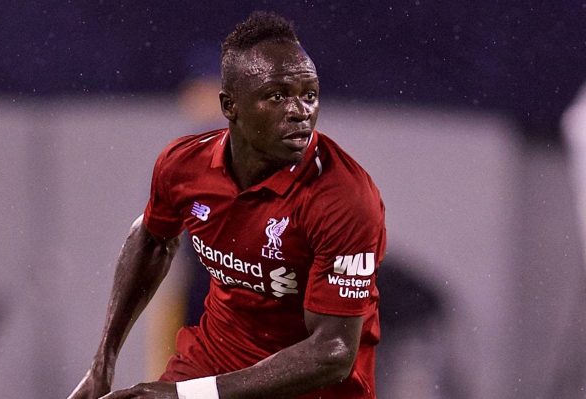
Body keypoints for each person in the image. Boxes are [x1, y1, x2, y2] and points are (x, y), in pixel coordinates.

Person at [68, 11, 386, 399]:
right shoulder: (184, 164)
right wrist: (102, 365)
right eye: (277, 95)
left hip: (308, 389)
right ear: (230, 105)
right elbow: (153, 238)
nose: (300, 111)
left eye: (309, 94)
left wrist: (187, 395)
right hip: (214, 363)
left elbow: (333, 353)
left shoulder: (344, 197)